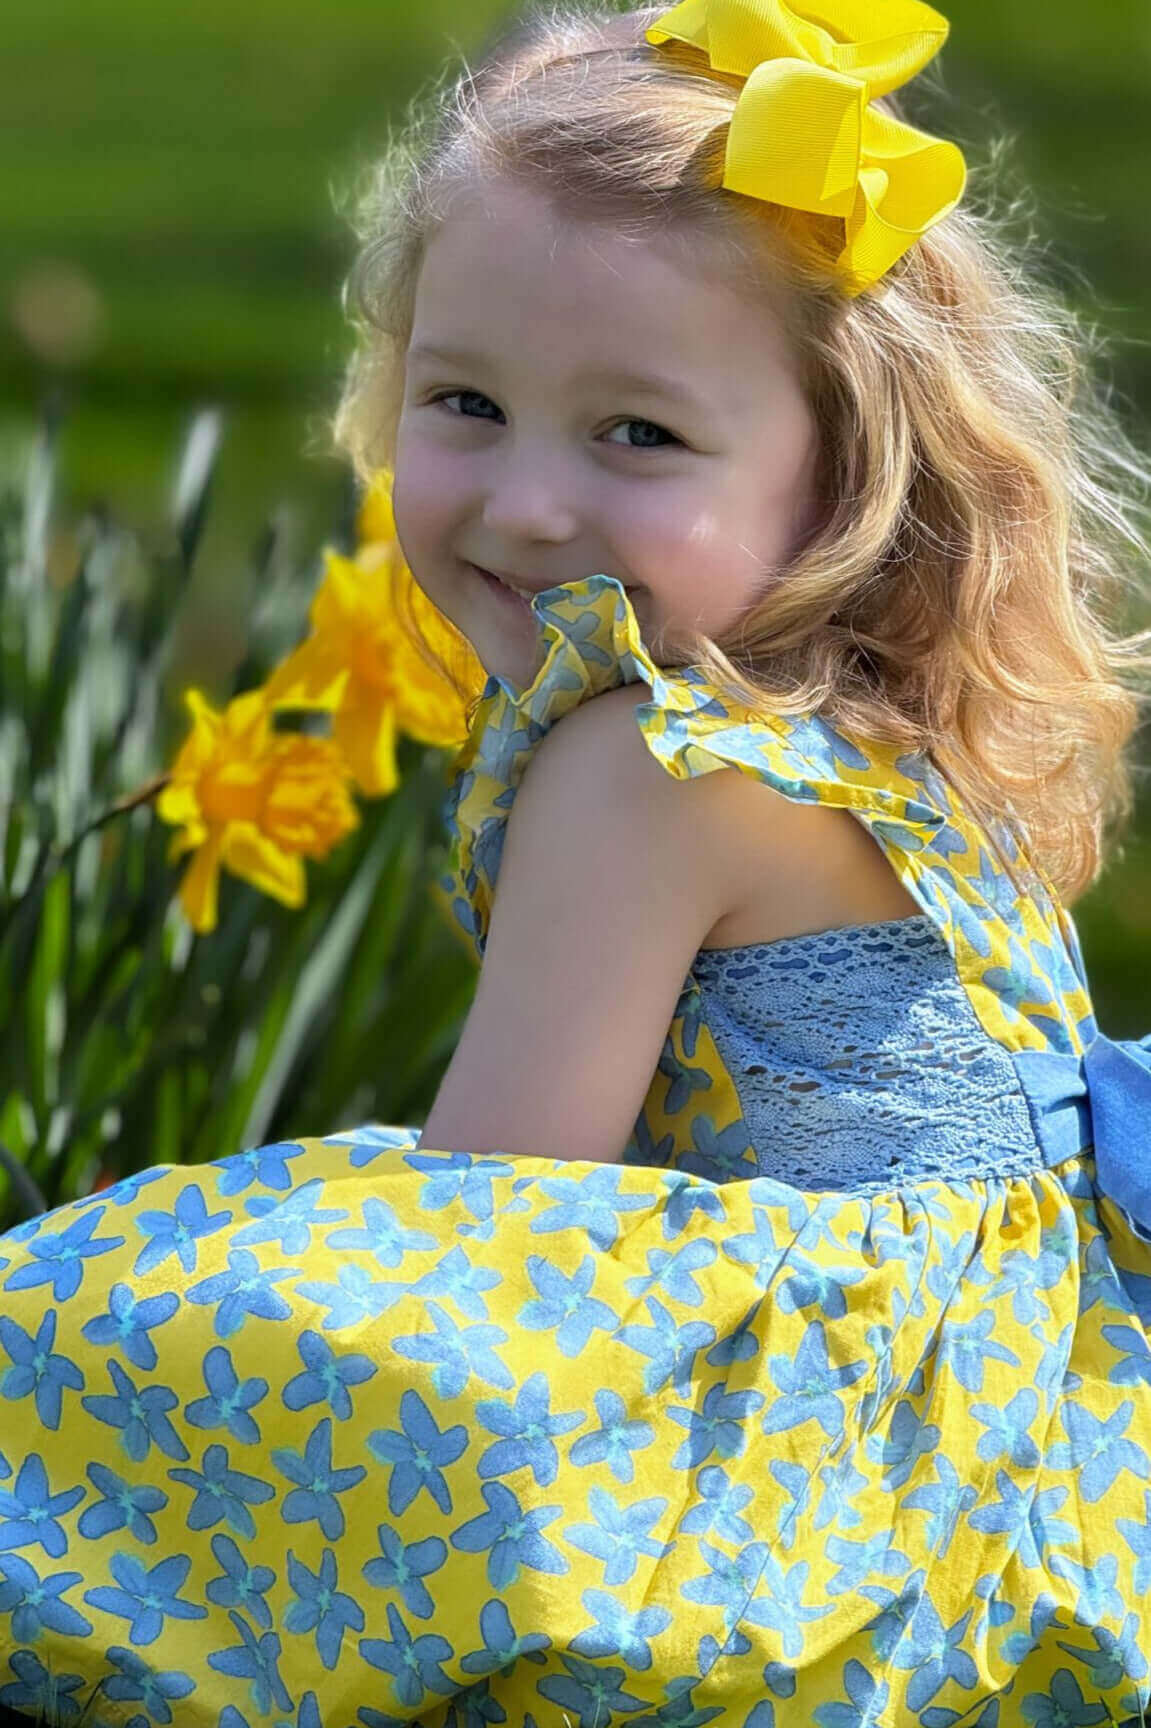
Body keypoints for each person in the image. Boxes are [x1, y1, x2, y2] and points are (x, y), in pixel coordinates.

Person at [2, 0, 1151, 1723]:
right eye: (464, 401)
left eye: (635, 437)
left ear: (843, 467)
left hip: (832, 1488)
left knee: (83, 1358)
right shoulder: (875, 723)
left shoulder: (645, 765)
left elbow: (490, 1239)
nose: (528, 506)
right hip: (1026, 1455)